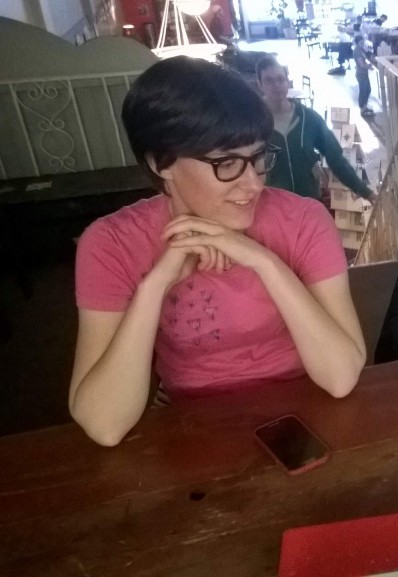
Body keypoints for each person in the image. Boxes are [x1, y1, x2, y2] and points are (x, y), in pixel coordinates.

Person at [70, 57, 367, 446]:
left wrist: (264, 261)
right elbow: (105, 425)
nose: (254, 184)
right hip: (189, 422)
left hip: (305, 406)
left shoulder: (304, 220)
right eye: (226, 163)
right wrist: (155, 285)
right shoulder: (111, 243)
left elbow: (340, 377)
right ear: (162, 163)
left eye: (258, 158)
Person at [255, 56, 374, 200]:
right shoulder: (253, 123)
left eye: (280, 79)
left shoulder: (309, 119)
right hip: (274, 206)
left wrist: (365, 191)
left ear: (288, 82)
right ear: (260, 85)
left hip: (309, 202)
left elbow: (336, 159)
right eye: (269, 80)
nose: (276, 85)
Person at [351, 25, 375, 117]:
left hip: (363, 74)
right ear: (357, 43)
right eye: (360, 42)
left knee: (367, 90)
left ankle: (365, 106)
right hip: (361, 74)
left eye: (362, 42)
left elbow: (365, 58)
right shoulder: (357, 51)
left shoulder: (360, 49)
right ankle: (362, 108)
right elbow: (361, 64)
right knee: (363, 91)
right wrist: (369, 67)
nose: (362, 44)